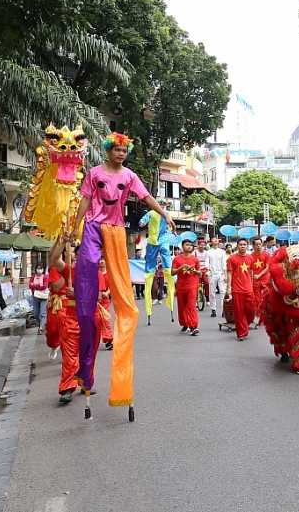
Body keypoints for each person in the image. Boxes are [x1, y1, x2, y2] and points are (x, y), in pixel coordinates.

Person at [69, 132, 175, 419]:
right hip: (92, 227)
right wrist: (74, 227)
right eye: (117, 149)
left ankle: (121, 385)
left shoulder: (129, 176)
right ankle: (85, 372)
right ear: (108, 150)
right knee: (86, 289)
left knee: (126, 304)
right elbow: (85, 201)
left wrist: (165, 215)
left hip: (116, 231)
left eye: (124, 150)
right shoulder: (94, 173)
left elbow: (147, 196)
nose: (121, 154)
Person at [48, 235, 82, 404]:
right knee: (69, 355)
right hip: (71, 318)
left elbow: (100, 296)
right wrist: (63, 241)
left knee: (86, 355)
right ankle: (67, 388)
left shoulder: (96, 273)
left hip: (89, 319)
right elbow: (54, 258)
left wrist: (78, 294)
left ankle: (85, 381)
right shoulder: (70, 271)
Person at [138, 197, 175, 326]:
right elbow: (143, 220)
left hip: (163, 239)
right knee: (149, 268)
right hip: (153, 241)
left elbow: (171, 224)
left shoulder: (168, 214)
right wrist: (142, 223)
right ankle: (150, 301)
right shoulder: (151, 213)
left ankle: (168, 270)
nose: (162, 207)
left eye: (163, 205)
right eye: (160, 205)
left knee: (166, 254)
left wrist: (173, 230)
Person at [225, 238, 254, 340]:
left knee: (250, 311)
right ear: (237, 246)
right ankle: (241, 333)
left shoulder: (250, 258)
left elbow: (251, 272)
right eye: (240, 244)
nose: (242, 246)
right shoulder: (232, 258)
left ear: (247, 246)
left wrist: (251, 284)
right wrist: (228, 287)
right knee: (239, 312)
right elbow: (229, 273)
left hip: (248, 289)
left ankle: (245, 325)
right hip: (237, 289)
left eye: (244, 244)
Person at [171, 238, 200, 335]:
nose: (189, 246)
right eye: (187, 244)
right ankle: (184, 324)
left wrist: (195, 271)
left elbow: (200, 273)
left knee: (191, 306)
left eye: (190, 245)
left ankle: (193, 326)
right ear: (182, 246)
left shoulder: (195, 259)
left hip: (192, 285)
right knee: (182, 306)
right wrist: (181, 267)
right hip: (181, 286)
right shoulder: (177, 259)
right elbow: (172, 272)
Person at [250, 237, 271, 326]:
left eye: (260, 244)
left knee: (268, 298)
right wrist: (252, 278)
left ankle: (268, 316)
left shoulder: (266, 255)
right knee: (257, 300)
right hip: (255, 281)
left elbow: (267, 267)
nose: (258, 246)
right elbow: (250, 269)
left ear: (262, 244)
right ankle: (259, 317)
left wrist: (259, 275)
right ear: (253, 246)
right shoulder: (251, 256)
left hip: (265, 280)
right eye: (256, 244)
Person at [205, 237, 227, 318]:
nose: (216, 240)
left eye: (217, 240)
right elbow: (207, 264)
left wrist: (225, 276)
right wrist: (208, 271)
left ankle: (223, 309)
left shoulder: (222, 252)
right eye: (214, 239)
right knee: (212, 293)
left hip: (221, 274)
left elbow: (224, 264)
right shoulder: (208, 252)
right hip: (212, 274)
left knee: (223, 292)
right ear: (211, 241)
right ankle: (213, 309)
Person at [97, 258, 114, 349]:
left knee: (105, 319)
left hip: (105, 301)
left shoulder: (109, 273)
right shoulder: (93, 272)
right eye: (99, 259)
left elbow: (112, 285)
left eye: (103, 259)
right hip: (94, 300)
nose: (102, 261)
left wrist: (106, 293)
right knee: (96, 321)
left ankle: (108, 339)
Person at [29, 261, 50, 335]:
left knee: (42, 313)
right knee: (36, 313)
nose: (39, 270)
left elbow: (45, 286)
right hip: (35, 296)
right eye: (38, 268)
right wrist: (38, 286)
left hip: (44, 296)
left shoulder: (45, 277)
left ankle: (41, 327)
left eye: (40, 268)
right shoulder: (32, 277)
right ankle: (41, 323)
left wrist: (35, 286)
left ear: (43, 269)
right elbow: (30, 286)